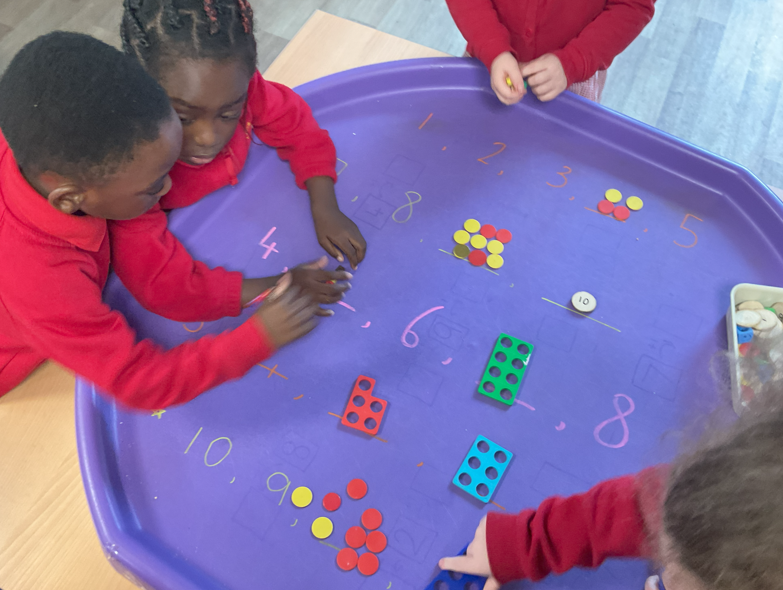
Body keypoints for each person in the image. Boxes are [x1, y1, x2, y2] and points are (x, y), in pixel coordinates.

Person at [0, 31, 329, 409]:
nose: (168, 188)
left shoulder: (37, 142)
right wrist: (260, 335)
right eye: (152, 187)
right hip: (13, 359)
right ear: (69, 199)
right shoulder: (41, 285)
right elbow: (139, 383)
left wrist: (271, 286)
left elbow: (162, 277)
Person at [112, 0, 366, 334]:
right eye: (183, 117)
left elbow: (296, 126)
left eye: (229, 113)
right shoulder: (124, 172)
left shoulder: (236, 87)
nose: (208, 138)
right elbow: (161, 285)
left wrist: (325, 204)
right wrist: (280, 286)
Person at [439, 361, 783, 590]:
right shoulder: (713, 496)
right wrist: (519, 544)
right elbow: (623, 511)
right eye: (672, 556)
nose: (667, 573)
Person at [445, 0, 655, 105]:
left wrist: (573, 61)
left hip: (574, 76)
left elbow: (633, 6)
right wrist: (492, 47)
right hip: (486, 60)